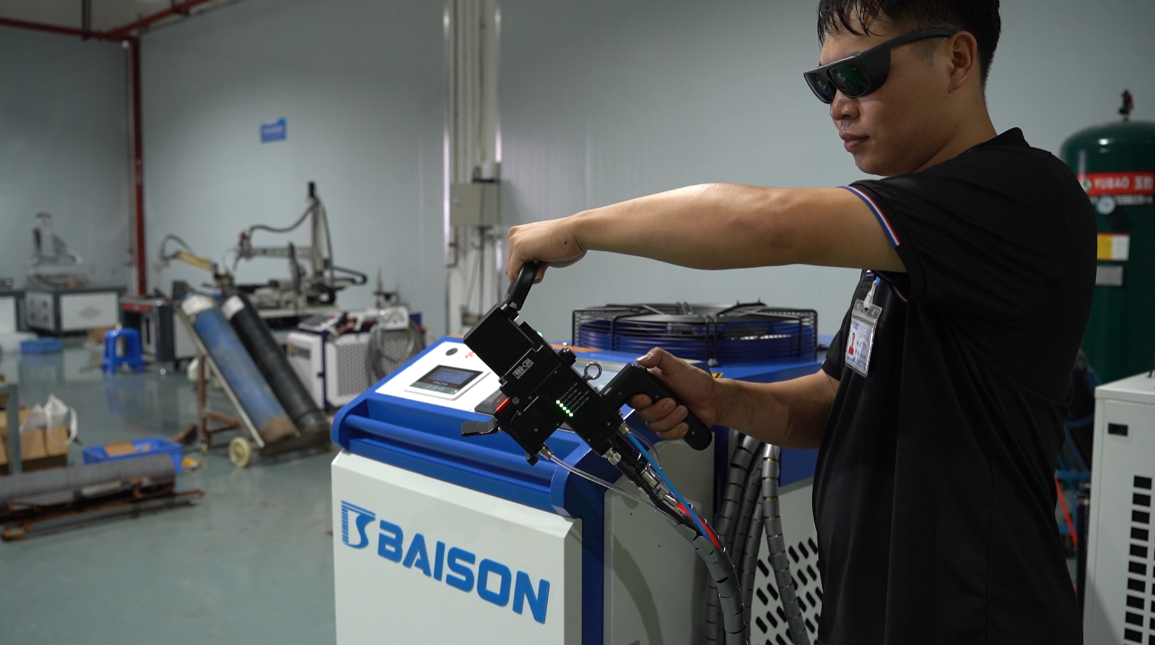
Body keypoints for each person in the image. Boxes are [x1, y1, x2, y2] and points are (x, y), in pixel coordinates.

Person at [502, 0, 1096, 643]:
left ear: (956, 59)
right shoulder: (904, 247)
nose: (839, 106)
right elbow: (836, 401)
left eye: (859, 74)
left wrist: (576, 229)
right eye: (825, 83)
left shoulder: (1022, 195)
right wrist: (722, 400)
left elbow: (768, 223)